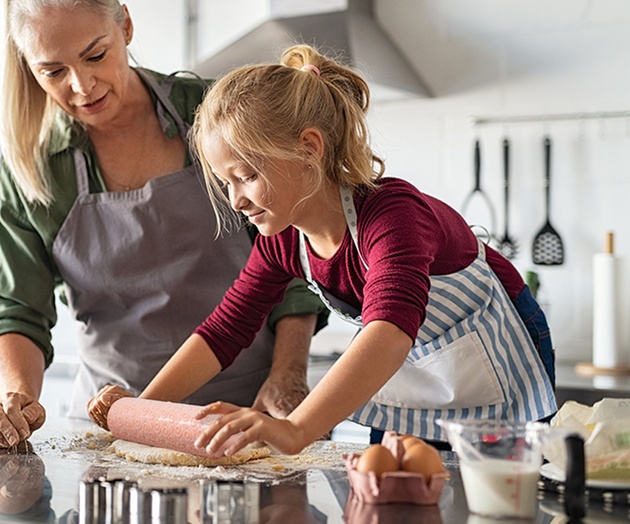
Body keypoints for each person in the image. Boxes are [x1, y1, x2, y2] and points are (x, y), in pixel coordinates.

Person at [88, 44, 557, 457]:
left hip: (492, 358)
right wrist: (140, 407)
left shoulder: (392, 215)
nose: (236, 200)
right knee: (390, 488)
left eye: (247, 175)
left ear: (309, 148)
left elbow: (390, 331)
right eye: (225, 182)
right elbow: (225, 330)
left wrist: (295, 429)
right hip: (412, 371)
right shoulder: (284, 242)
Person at [0, 0, 327, 448]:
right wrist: (17, 399)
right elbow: (16, 309)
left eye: (95, 55)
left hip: (248, 418)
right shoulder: (33, 168)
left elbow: (293, 254)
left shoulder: (212, 115)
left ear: (126, 24)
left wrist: (287, 374)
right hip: (114, 428)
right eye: (53, 72)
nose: (82, 86)